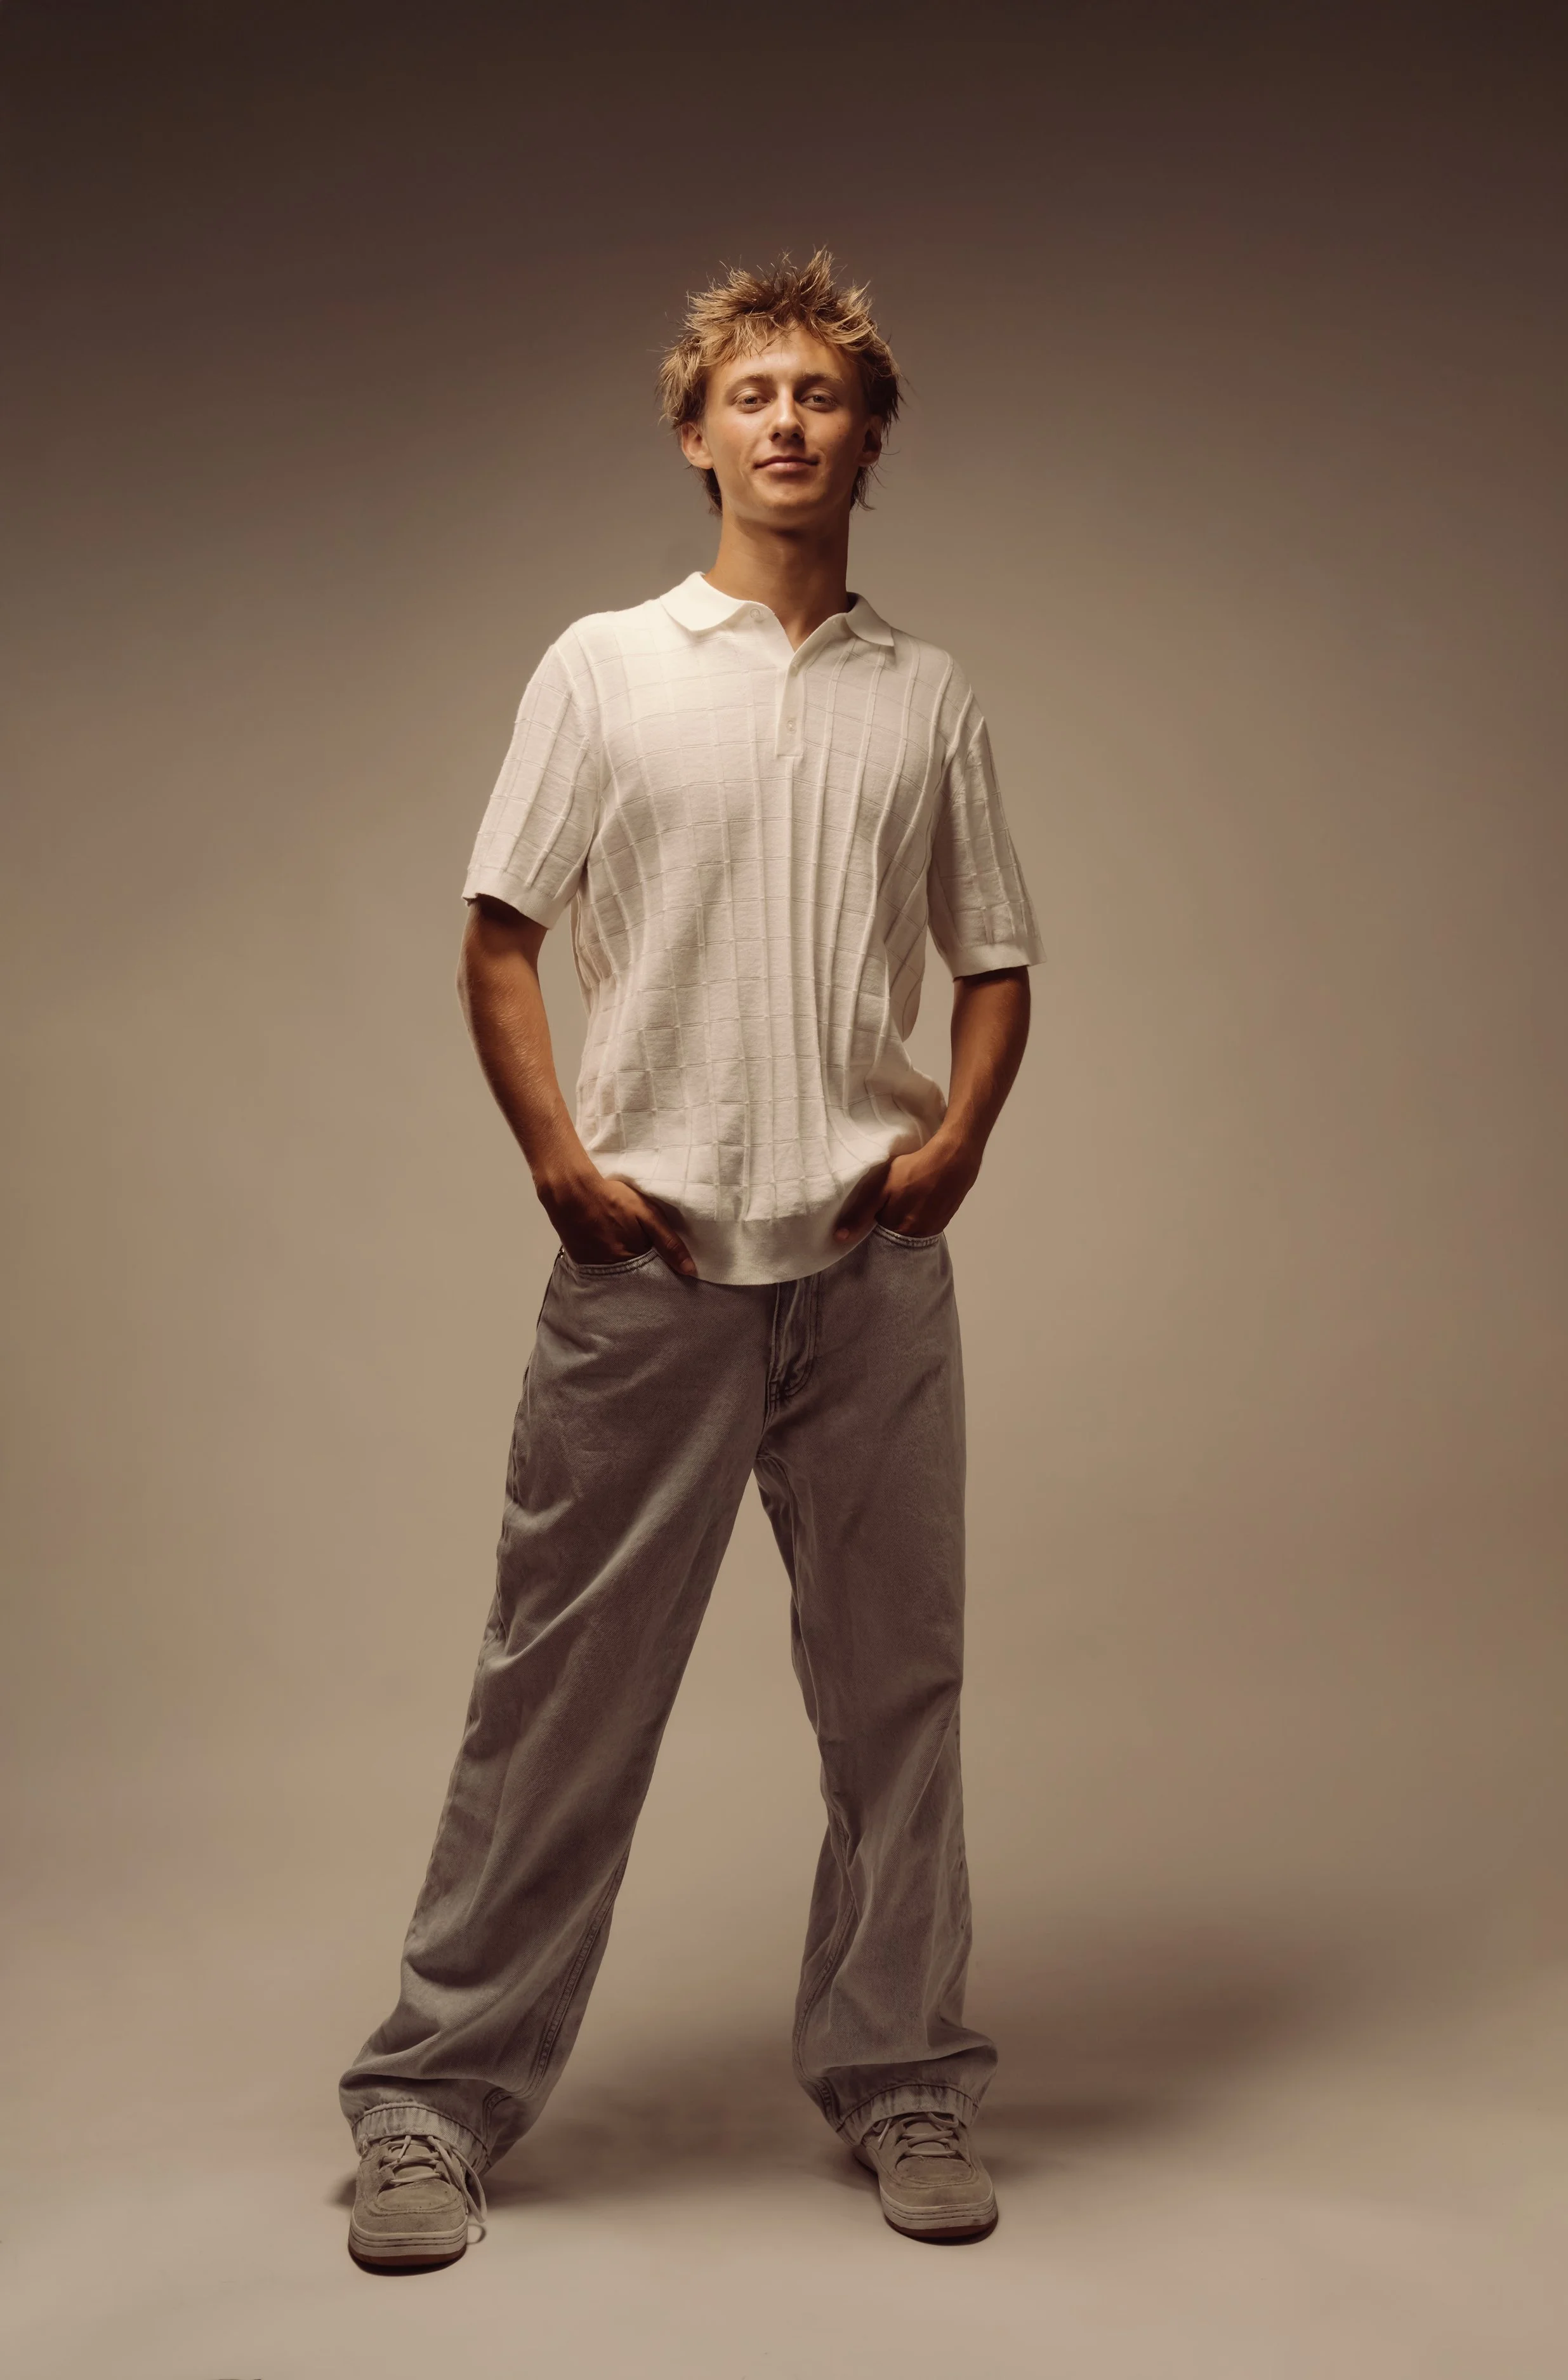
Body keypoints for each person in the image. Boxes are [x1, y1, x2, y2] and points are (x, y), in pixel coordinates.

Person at [339, 250, 1044, 2270]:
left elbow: (992, 954)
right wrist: (559, 1159)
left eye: (824, 394)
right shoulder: (602, 665)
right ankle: (429, 2101)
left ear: (869, 437)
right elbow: (499, 929)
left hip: (868, 1270)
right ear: (694, 430)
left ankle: (906, 2078)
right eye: (754, 393)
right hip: (644, 1269)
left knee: (896, 1695)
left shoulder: (928, 694)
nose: (789, 424)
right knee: (556, 1694)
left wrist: (959, 1140)